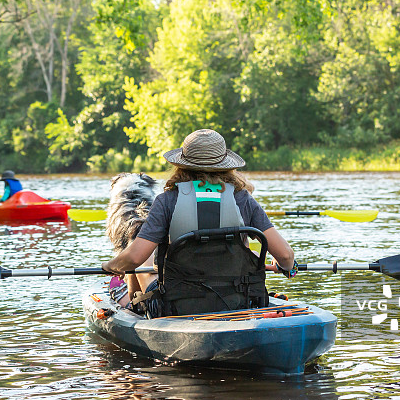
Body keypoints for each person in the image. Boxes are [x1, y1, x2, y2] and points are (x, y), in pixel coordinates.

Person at [101, 129, 298, 317]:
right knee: (250, 253)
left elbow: (134, 258)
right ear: (227, 165)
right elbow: (286, 256)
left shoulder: (166, 201)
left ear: (181, 165)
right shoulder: (243, 199)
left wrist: (111, 265)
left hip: (176, 306)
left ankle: (134, 307)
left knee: (143, 260)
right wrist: (285, 265)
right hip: (237, 300)